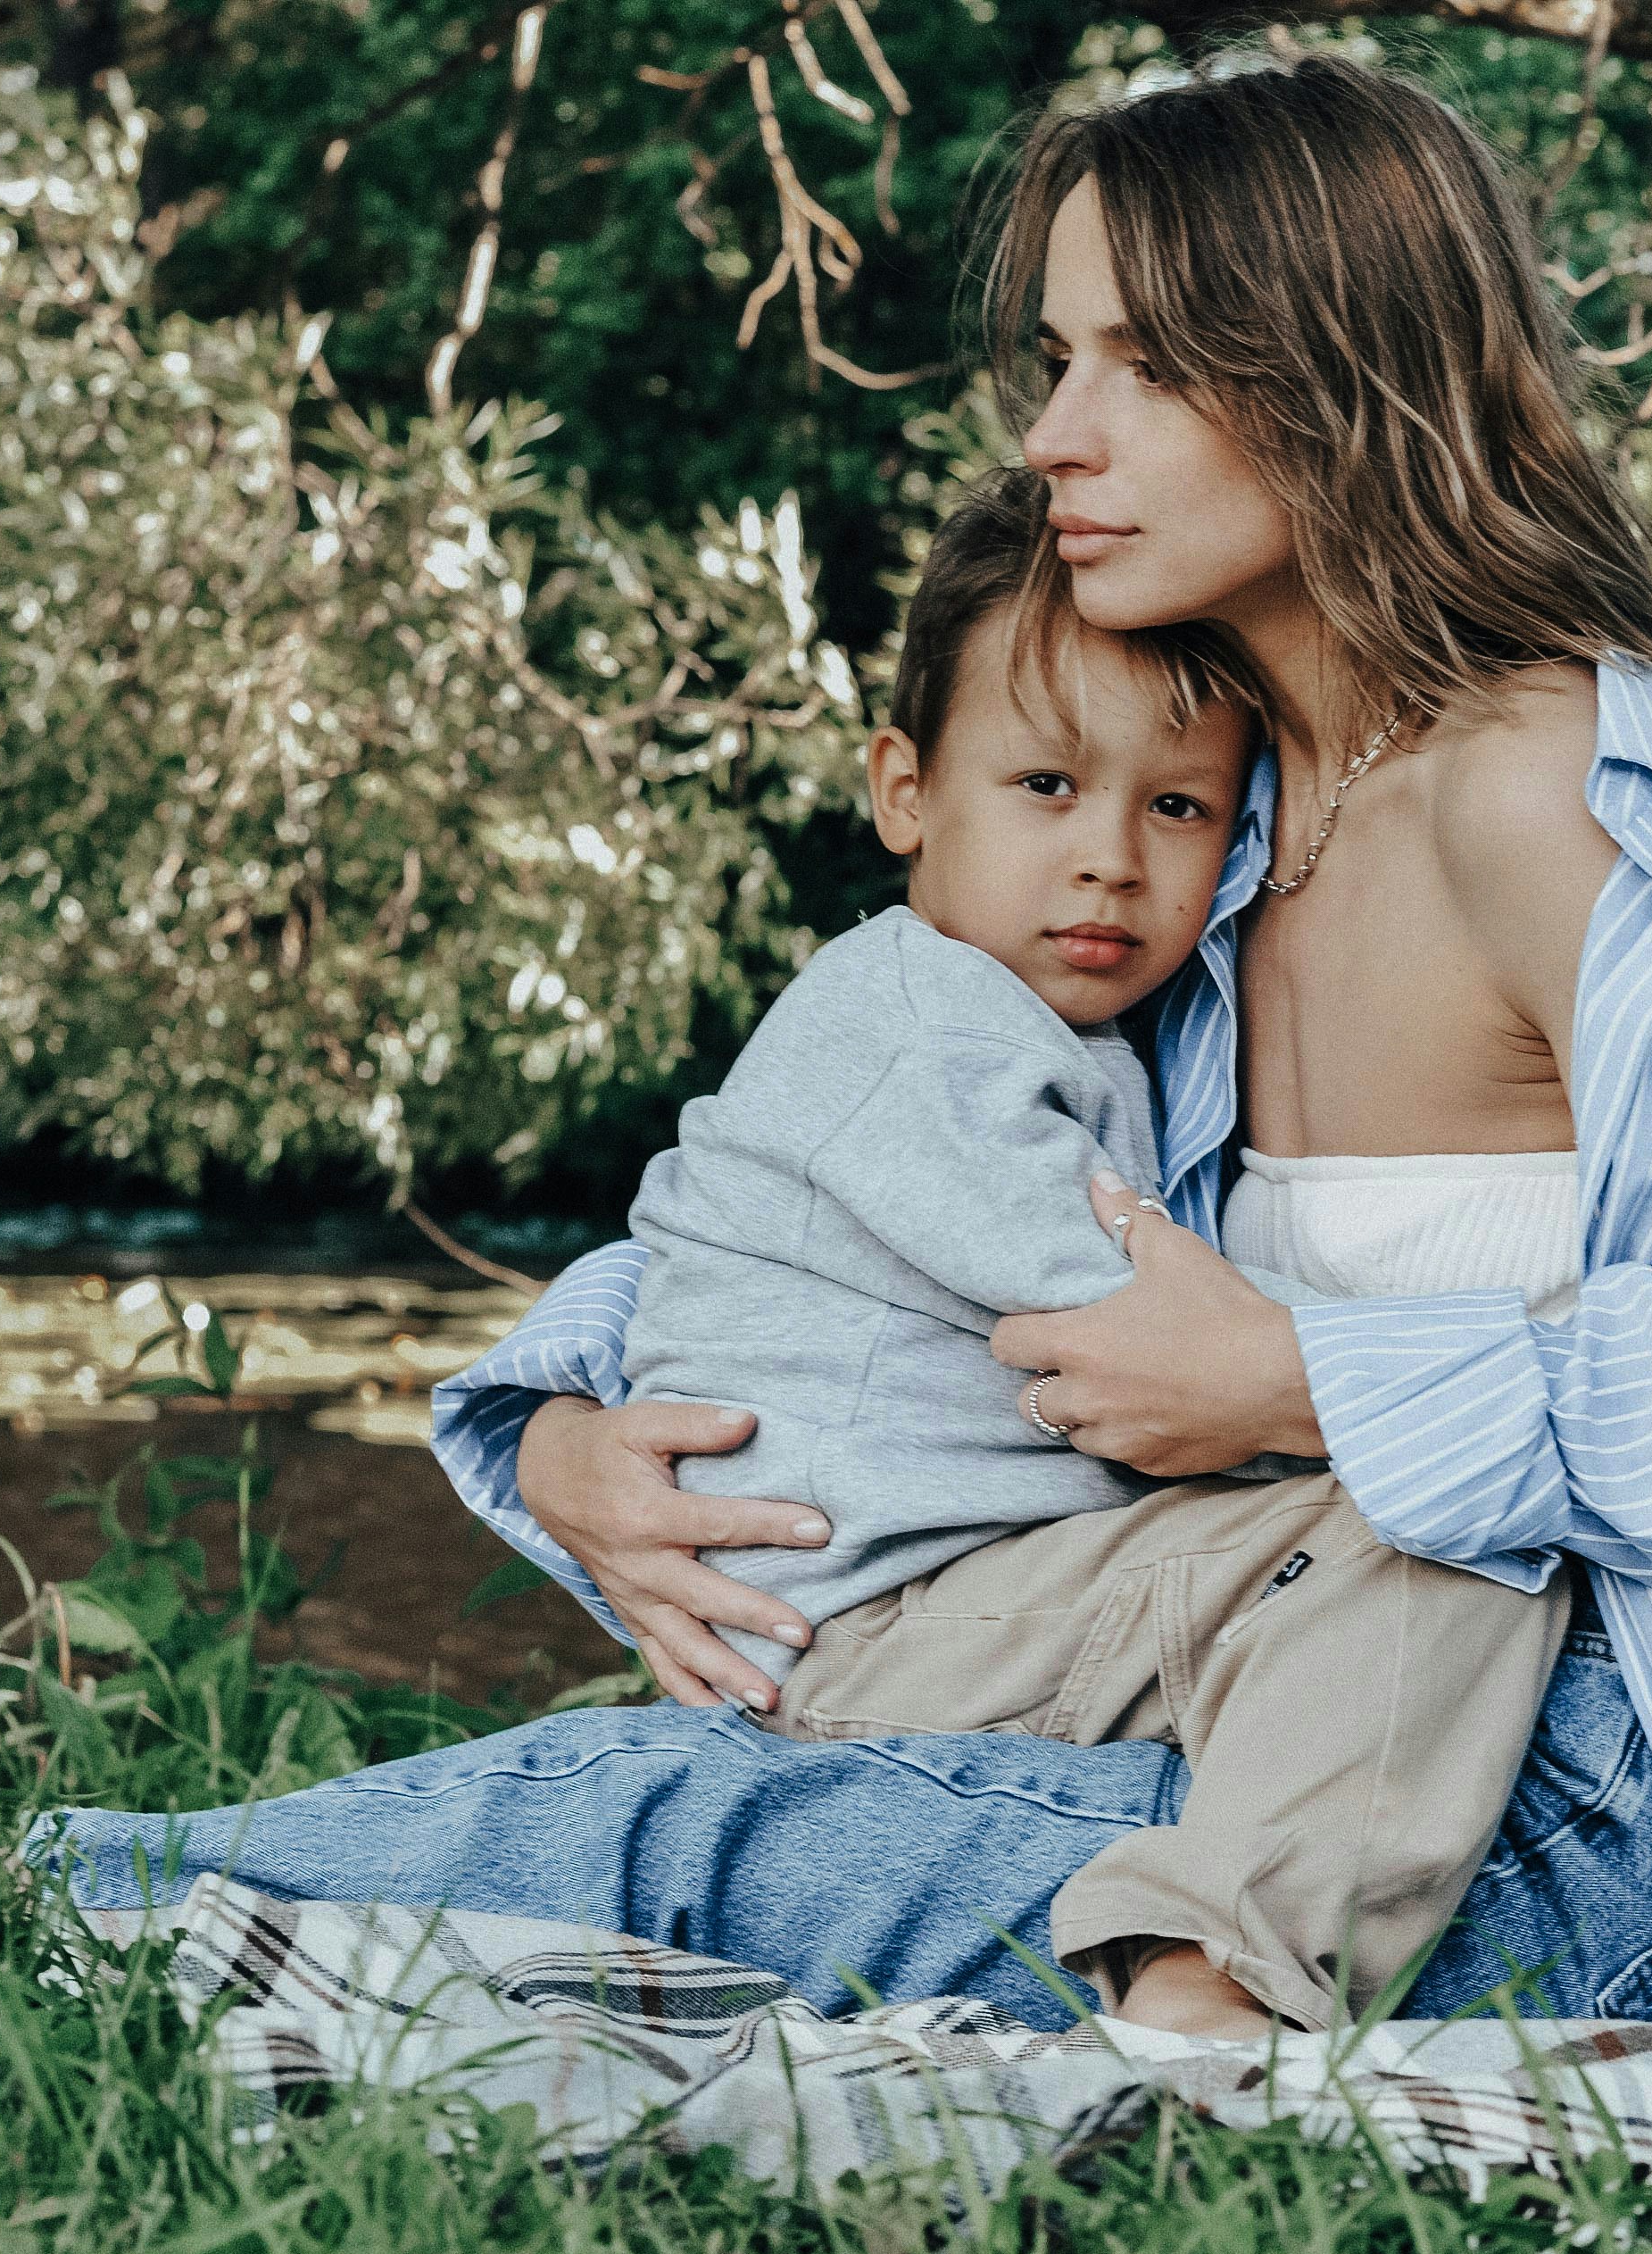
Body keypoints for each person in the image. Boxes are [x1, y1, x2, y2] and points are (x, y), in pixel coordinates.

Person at [29, 50, 1652, 2036]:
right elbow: (886, 1164)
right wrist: (563, 1432)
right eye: (1059, 361)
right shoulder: (1200, 824)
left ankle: (53, 1909)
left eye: (1143, 369)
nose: (1055, 438)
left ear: (1341, 376)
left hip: (1639, 1827)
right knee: (738, 1799)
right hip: (1301, 1729)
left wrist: (1304, 1379)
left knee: (687, 1829)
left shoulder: (1575, 804)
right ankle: (90, 1901)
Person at [613, 477, 1569, 2034]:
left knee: (1414, 1518)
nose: (1113, 860)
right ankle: (1217, 1980)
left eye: (1177, 807)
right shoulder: (919, 1027)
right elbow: (1134, 1327)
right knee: (1443, 1526)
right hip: (868, 1628)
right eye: (1047, 787)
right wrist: (1457, 1377)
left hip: (948, 1595)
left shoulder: (1051, 1025)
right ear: (906, 793)